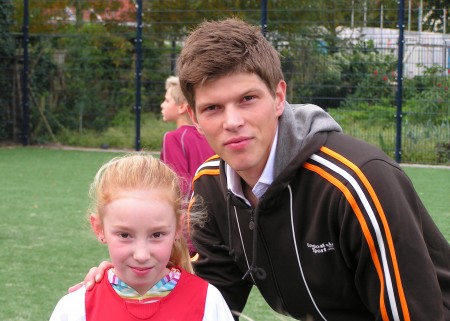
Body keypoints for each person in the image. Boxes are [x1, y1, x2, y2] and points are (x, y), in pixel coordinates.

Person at [74, 18, 450, 320]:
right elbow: (209, 301)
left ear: (279, 97)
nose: (232, 121)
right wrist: (131, 281)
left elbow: (418, 312)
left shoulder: (357, 182)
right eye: (213, 108)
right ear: (193, 117)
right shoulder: (210, 184)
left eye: (247, 99)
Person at [51, 153, 234, 321]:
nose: (141, 255)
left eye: (156, 234)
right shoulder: (76, 308)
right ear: (99, 228)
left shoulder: (207, 301)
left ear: (179, 227)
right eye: (125, 235)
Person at [160, 75, 215, 198]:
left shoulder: (173, 138)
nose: (162, 105)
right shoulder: (209, 135)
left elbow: (178, 184)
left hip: (190, 211)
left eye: (167, 100)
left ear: (182, 107)